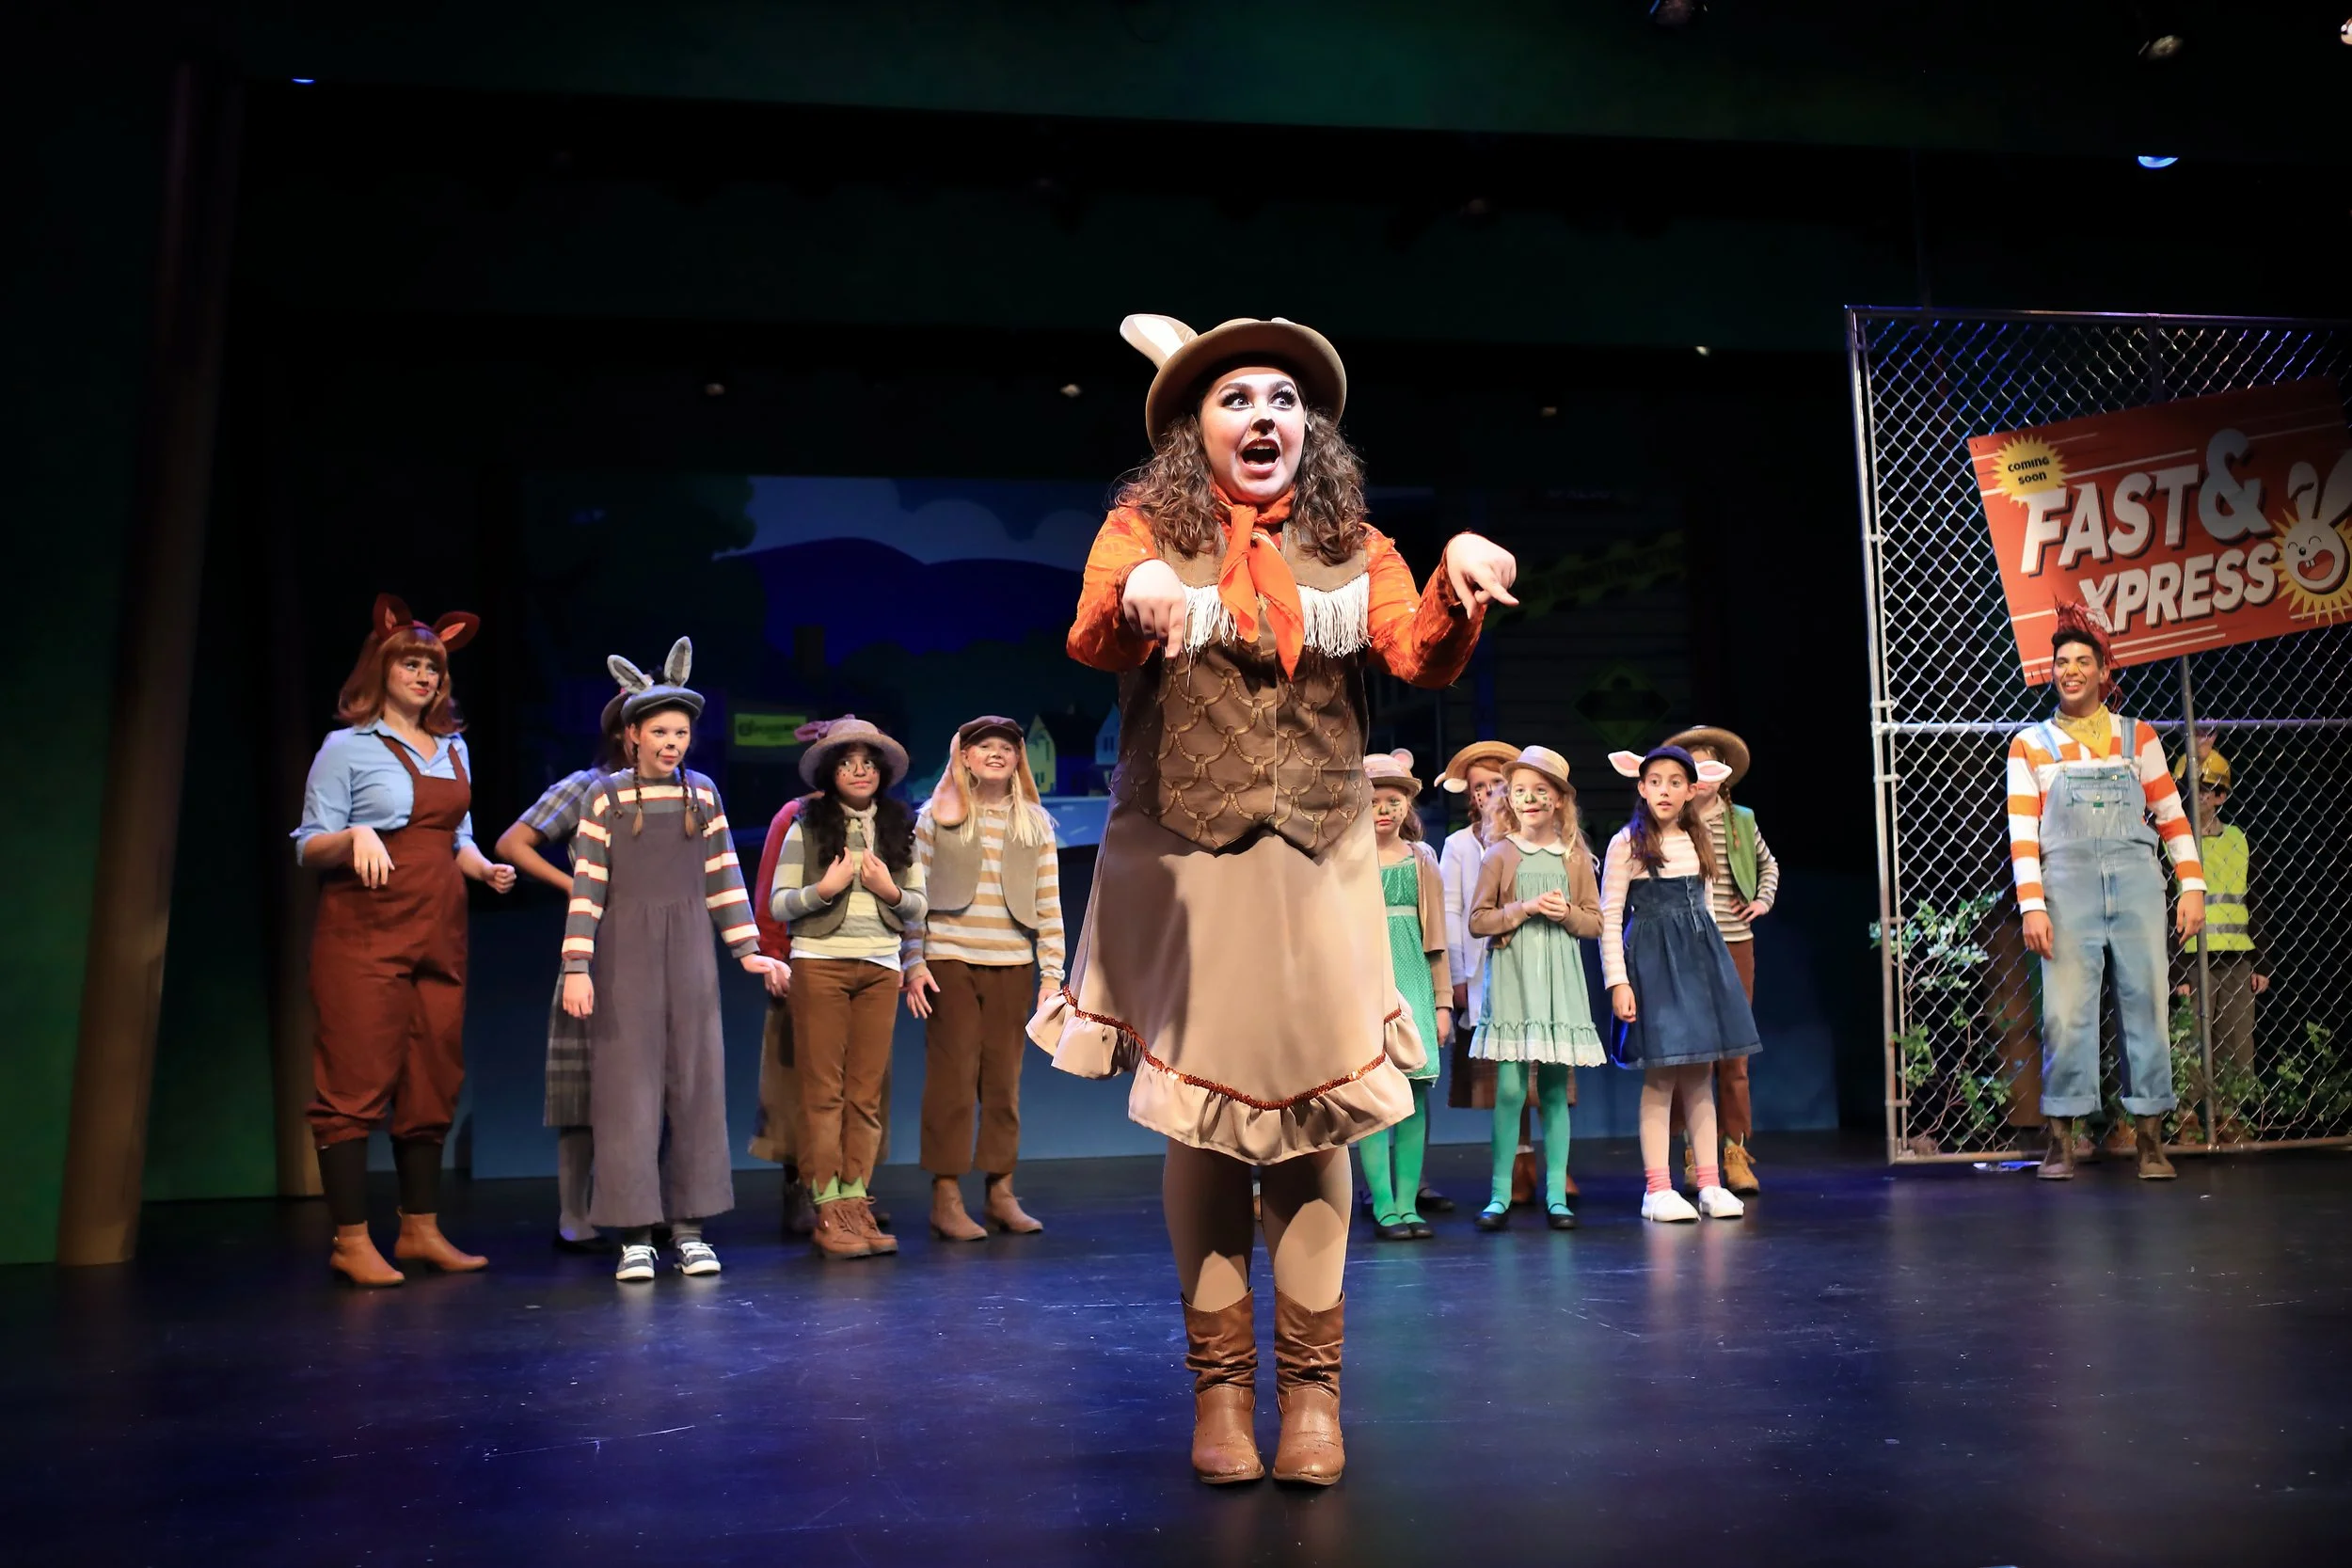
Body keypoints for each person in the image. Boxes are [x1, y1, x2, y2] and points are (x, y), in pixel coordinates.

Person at [1031, 312, 1515, 1485]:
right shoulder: (1140, 531)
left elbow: (1415, 654)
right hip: (1185, 861)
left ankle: (1310, 1395)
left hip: (1316, 859)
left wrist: (1456, 576)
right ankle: (1218, 1395)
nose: (1264, 415)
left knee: (1315, 1117)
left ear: (1311, 429)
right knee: (1202, 1119)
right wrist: (1145, 587)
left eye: (1284, 399)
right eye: (1237, 397)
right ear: (1193, 427)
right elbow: (1095, 635)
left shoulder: (1358, 546)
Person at [293, 594, 516, 1287]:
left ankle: (420, 1229)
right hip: (364, 932)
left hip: (439, 930)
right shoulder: (346, 749)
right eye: (411, 664)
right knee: (355, 1075)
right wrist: (355, 834)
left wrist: (483, 866)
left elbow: (458, 837)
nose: (423, 676)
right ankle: (351, 1240)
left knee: (432, 1073)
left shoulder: (453, 747)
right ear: (381, 669)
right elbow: (308, 844)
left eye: (433, 667)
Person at [559, 640, 785, 1282]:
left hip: (689, 948)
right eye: (659, 732)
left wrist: (749, 949)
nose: (671, 743)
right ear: (632, 734)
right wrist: (576, 967)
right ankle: (634, 1233)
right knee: (626, 1091)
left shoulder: (702, 794)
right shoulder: (606, 798)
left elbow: (724, 877)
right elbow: (587, 887)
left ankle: (689, 1228)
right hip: (623, 950)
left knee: (695, 1082)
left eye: (681, 733)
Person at [2006, 604, 2203, 1180]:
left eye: (2081, 662)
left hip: (2137, 881)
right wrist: (2033, 905)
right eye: (2061, 663)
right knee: (2066, 1011)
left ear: (2102, 671)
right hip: (2067, 888)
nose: (2070, 670)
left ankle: (2150, 1139)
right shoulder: (2031, 744)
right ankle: (2062, 1139)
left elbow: (2171, 815)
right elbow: (2022, 833)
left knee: (2147, 1003)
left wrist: (2191, 884)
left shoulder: (2138, 737)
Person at [770, 716, 928, 1260]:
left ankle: (856, 1199)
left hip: (880, 966)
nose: (859, 772)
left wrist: (889, 890)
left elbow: (918, 905)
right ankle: (827, 1204)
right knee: (823, 1092)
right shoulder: (806, 825)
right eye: (846, 763)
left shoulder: (900, 826)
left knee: (865, 1093)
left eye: (867, 763)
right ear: (830, 772)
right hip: (820, 963)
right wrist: (824, 888)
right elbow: (779, 903)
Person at [902, 716, 1065, 1240]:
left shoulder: (1034, 824)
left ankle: (1000, 1192)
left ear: (1018, 760)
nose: (996, 753)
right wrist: (913, 961)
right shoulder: (936, 818)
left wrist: (1051, 975)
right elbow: (914, 895)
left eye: (1006, 747)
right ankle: (946, 1196)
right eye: (984, 746)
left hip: (1012, 965)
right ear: (965, 757)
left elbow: (1048, 903)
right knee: (951, 1081)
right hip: (949, 961)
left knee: (1002, 1083)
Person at [494, 687, 631, 1252]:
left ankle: (648, 1210)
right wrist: (574, 887)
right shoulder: (587, 786)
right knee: (583, 1088)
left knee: (656, 1088)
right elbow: (513, 843)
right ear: (622, 731)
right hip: (593, 948)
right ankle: (575, 1215)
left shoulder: (685, 793)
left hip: (659, 947)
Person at [1601, 745, 1756, 1223]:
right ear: (1641, 787)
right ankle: (1657, 1189)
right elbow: (1610, 918)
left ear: (1692, 790)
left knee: (1700, 1075)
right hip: (1652, 966)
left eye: (1674, 782)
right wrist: (1618, 983)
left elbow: (1705, 910)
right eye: (1655, 782)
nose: (1664, 791)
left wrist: (1715, 976)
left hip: (1697, 965)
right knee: (1661, 1076)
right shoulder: (1626, 843)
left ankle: (1709, 1183)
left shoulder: (1698, 839)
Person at [1468, 746, 1602, 1232]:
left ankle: (1556, 1195)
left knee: (1553, 1089)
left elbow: (1594, 921)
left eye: (1540, 791)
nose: (1529, 800)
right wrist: (1523, 908)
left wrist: (1567, 914)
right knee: (1509, 1088)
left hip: (1558, 980)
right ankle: (1500, 1194)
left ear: (1559, 800)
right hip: (1513, 977)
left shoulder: (1574, 856)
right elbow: (1478, 920)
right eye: (1520, 791)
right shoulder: (1499, 854)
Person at [1664, 724, 1779, 1196]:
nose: (1702, 777)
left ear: (1723, 774)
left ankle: (1735, 1150)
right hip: (1688, 947)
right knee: (1692, 1054)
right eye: (1692, 768)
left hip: (1734, 943)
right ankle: (1696, 1153)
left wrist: (1762, 901)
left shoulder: (1741, 821)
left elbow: (1768, 864)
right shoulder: (1671, 821)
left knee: (1734, 1054)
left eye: (1709, 766)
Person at [1438, 739, 1547, 1208]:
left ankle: (1553, 1165)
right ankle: (1517, 1164)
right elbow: (1451, 911)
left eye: (1496, 784)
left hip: (1535, 965)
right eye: (1479, 787)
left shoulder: (1534, 838)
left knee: (1547, 1066)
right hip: (1486, 972)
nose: (1487, 793)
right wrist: (1457, 976)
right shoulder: (1460, 845)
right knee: (1507, 1074)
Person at [1357, 751, 1451, 1241]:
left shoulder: (1421, 860)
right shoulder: (1347, 859)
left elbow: (1436, 940)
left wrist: (1442, 1003)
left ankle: (1409, 1203)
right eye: (1374, 801)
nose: (1384, 810)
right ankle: (1383, 1205)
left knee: (1414, 1092)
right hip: (1365, 983)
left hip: (1412, 976)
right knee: (1374, 1093)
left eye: (1393, 801)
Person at [2172, 748, 2265, 1145]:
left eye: (2204, 789)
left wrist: (2261, 961)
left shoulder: (2239, 841)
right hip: (2192, 958)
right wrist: (2176, 971)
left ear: (2220, 796)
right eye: (2188, 789)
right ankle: (2187, 1117)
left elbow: (2257, 901)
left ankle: (2228, 1115)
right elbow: (2167, 907)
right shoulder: (2174, 844)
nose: (2196, 797)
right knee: (2191, 1040)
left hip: (2236, 957)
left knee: (2237, 1042)